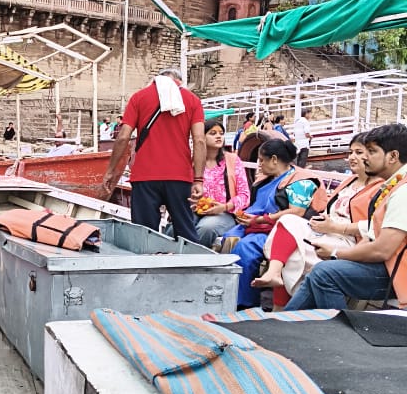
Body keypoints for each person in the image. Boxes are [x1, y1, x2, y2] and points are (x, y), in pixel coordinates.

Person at [285, 123, 407, 311]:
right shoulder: (393, 185)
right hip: (384, 265)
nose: (365, 158)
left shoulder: (403, 191)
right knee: (317, 273)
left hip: (397, 273)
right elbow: (372, 234)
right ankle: (284, 322)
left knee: (324, 273)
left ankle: (341, 329)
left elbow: (382, 250)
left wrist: (336, 253)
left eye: (371, 152)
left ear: (393, 156)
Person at [252, 134, 382, 308]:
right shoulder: (349, 181)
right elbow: (328, 210)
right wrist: (323, 221)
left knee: (291, 252)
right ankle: (274, 275)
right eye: (350, 152)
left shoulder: (380, 187)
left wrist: (336, 227)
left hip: (349, 240)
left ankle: (281, 307)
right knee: (288, 220)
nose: (352, 157)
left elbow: (373, 227)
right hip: (327, 231)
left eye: (359, 153)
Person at [101, 67, 205, 243]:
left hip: (145, 175)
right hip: (179, 175)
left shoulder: (139, 97)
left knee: (144, 236)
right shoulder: (192, 100)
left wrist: (110, 171)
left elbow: (123, 137)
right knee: (186, 232)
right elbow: (200, 140)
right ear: (179, 81)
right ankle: (190, 259)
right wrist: (198, 179)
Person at [221, 137, 325, 309]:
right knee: (228, 238)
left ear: (274, 160)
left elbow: (297, 212)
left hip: (279, 231)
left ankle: (244, 303)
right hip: (257, 225)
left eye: (262, 160)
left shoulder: (301, 181)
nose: (259, 165)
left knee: (244, 249)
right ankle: (228, 293)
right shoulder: (266, 179)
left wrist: (262, 219)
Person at [192, 120, 250, 248]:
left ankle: (193, 260)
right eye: (213, 133)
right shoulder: (193, 162)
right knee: (178, 226)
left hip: (225, 213)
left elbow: (245, 195)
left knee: (206, 228)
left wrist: (224, 207)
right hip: (197, 211)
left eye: (221, 133)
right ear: (201, 137)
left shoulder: (233, 160)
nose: (219, 136)